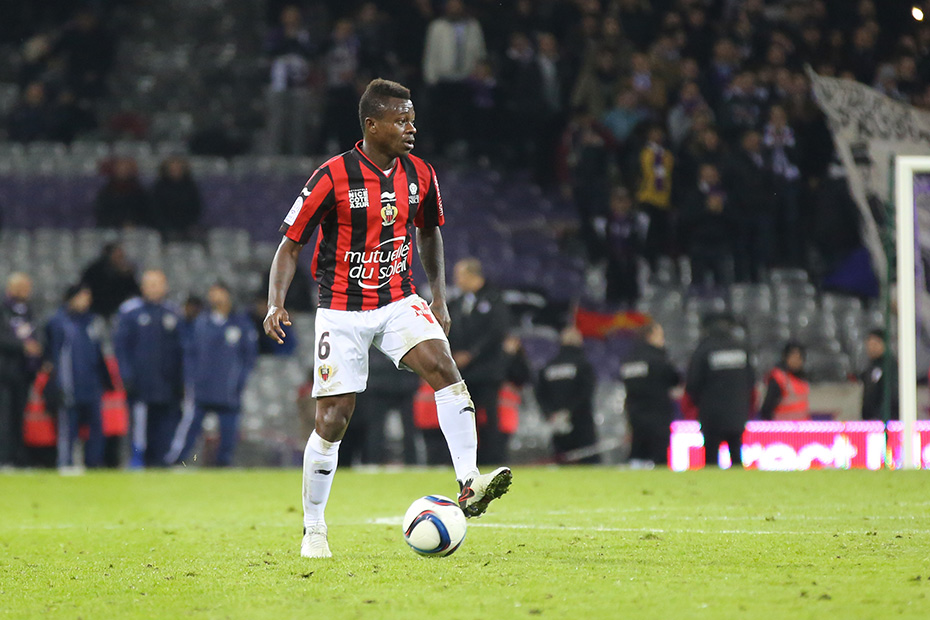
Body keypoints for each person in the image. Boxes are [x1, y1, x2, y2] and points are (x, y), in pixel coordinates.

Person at [264, 78, 512, 558]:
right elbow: (289, 245)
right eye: (400, 120)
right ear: (372, 125)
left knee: (444, 368)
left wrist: (439, 297)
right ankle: (314, 528)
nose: (410, 128)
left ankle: (469, 481)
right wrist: (276, 302)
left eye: (412, 119)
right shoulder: (332, 176)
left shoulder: (420, 173)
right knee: (333, 419)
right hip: (342, 308)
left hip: (398, 298)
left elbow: (430, 232)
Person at [170, 282, 257, 467]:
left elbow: (249, 357)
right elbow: (190, 354)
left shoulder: (241, 324)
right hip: (203, 387)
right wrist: (191, 378)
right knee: (190, 427)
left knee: (228, 431)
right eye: (212, 293)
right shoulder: (201, 322)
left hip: (228, 389)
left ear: (228, 295)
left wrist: (239, 381)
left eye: (219, 293)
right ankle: (178, 460)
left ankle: (223, 464)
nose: (215, 297)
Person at [113, 270, 184, 467]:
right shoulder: (129, 311)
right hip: (140, 383)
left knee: (165, 427)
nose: (153, 288)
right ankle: (137, 460)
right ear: (142, 287)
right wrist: (126, 375)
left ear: (165, 286)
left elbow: (182, 349)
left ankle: (161, 463)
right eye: (149, 284)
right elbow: (121, 347)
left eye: (157, 284)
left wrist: (182, 379)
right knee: (139, 426)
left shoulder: (173, 312)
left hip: (168, 384)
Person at [447, 258, 512, 465]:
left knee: (489, 417)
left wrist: (472, 354)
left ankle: (493, 460)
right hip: (463, 373)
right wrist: (454, 354)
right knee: (464, 418)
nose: (456, 280)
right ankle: (467, 461)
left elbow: (497, 332)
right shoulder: (457, 303)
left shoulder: (494, 299)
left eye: (460, 275)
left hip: (487, 371)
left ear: (472, 275)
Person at [44, 285, 111, 468]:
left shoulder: (93, 321)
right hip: (69, 383)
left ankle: (94, 463)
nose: (86, 301)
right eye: (82, 297)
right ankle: (65, 461)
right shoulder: (58, 322)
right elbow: (53, 354)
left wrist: (106, 380)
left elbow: (99, 354)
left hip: (92, 383)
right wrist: (59, 383)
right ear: (71, 298)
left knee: (96, 426)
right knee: (68, 426)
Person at [685, 313, 754, 468]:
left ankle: (710, 483)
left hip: (711, 414)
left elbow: (692, 384)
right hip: (737, 412)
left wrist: (700, 403)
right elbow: (751, 381)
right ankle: (740, 481)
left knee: (711, 458)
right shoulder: (741, 349)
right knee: (736, 455)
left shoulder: (703, 349)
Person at [620, 322, 680, 467]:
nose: (663, 340)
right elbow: (674, 379)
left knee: (637, 456)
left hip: (635, 416)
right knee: (660, 459)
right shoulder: (658, 359)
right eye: (660, 336)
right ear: (650, 336)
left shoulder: (629, 360)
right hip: (657, 415)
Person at [535, 326, 598, 464]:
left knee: (562, 459)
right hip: (581, 421)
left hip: (557, 421)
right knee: (588, 461)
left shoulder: (549, 366)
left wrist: (550, 413)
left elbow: (540, 393)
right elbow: (586, 392)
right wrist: (569, 411)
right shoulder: (583, 365)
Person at [0, 273, 42, 467]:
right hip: (4, 372)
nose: (27, 291)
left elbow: (35, 333)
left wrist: (37, 348)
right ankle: (4, 458)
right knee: (4, 417)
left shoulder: (28, 311)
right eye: (23, 287)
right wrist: (22, 346)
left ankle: (17, 458)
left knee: (19, 417)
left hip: (24, 372)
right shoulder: (3, 309)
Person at [80, 243, 140, 319]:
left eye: (121, 256)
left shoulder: (126, 273)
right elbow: (85, 289)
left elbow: (134, 292)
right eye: (117, 256)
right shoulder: (94, 270)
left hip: (120, 311)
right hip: (96, 310)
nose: (120, 259)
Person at [93, 157, 156, 230]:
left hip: (136, 228)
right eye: (120, 168)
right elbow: (102, 213)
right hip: (111, 228)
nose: (123, 171)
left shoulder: (139, 191)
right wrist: (118, 224)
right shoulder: (107, 191)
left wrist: (133, 223)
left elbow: (145, 212)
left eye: (126, 168)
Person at [151, 156, 203, 240]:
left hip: (187, 225)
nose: (175, 171)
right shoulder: (159, 187)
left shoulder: (190, 186)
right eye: (172, 169)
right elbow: (156, 209)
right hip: (165, 226)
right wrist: (165, 225)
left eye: (178, 168)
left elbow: (196, 207)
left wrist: (188, 223)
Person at [759, 342, 810, 421]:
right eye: (793, 357)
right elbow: (766, 409)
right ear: (786, 358)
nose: (796, 361)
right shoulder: (779, 378)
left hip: (801, 427)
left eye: (799, 358)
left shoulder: (802, 380)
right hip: (783, 427)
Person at [860, 328, 898, 421]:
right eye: (869, 344)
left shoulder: (890, 366)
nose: (871, 348)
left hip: (885, 421)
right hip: (871, 421)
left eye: (875, 344)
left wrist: (880, 418)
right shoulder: (871, 366)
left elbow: (891, 394)